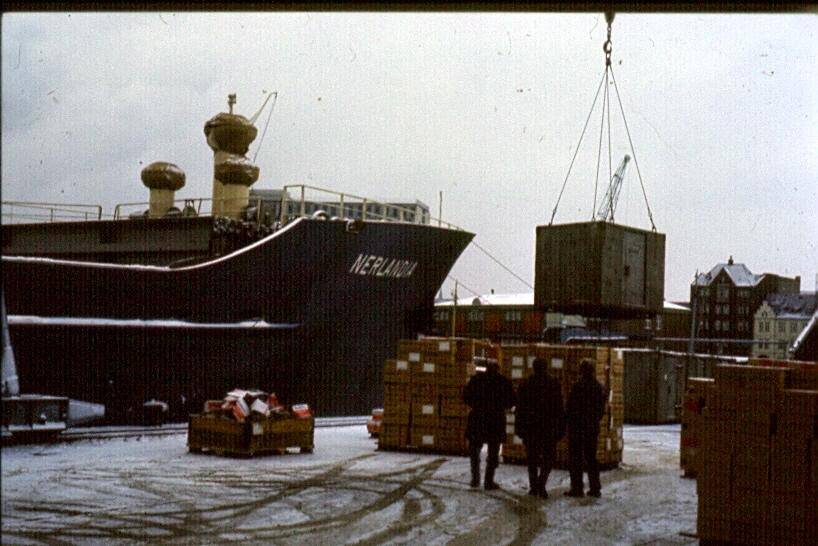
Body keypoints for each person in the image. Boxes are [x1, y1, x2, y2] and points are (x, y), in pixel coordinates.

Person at [515, 357, 565, 498]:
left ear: (533, 367)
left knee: (532, 458)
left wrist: (519, 427)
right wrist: (561, 428)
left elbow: (520, 409)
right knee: (549, 458)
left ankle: (533, 486)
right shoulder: (554, 384)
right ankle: (541, 484)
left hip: (530, 428)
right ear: (546, 368)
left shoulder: (525, 384)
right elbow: (559, 408)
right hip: (548, 428)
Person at [463, 358, 514, 490]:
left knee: (474, 450)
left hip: (477, 418)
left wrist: (475, 405)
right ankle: (488, 481)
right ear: (498, 369)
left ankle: (475, 479)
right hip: (495, 420)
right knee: (493, 452)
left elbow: (465, 396)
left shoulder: (476, 380)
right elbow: (512, 401)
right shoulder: (503, 381)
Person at [565, 359, 608, 498]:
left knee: (576, 458)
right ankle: (595, 487)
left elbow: (570, 407)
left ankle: (577, 488)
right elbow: (601, 409)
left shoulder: (577, 386)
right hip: (592, 427)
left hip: (577, 428)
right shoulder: (598, 387)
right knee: (591, 458)